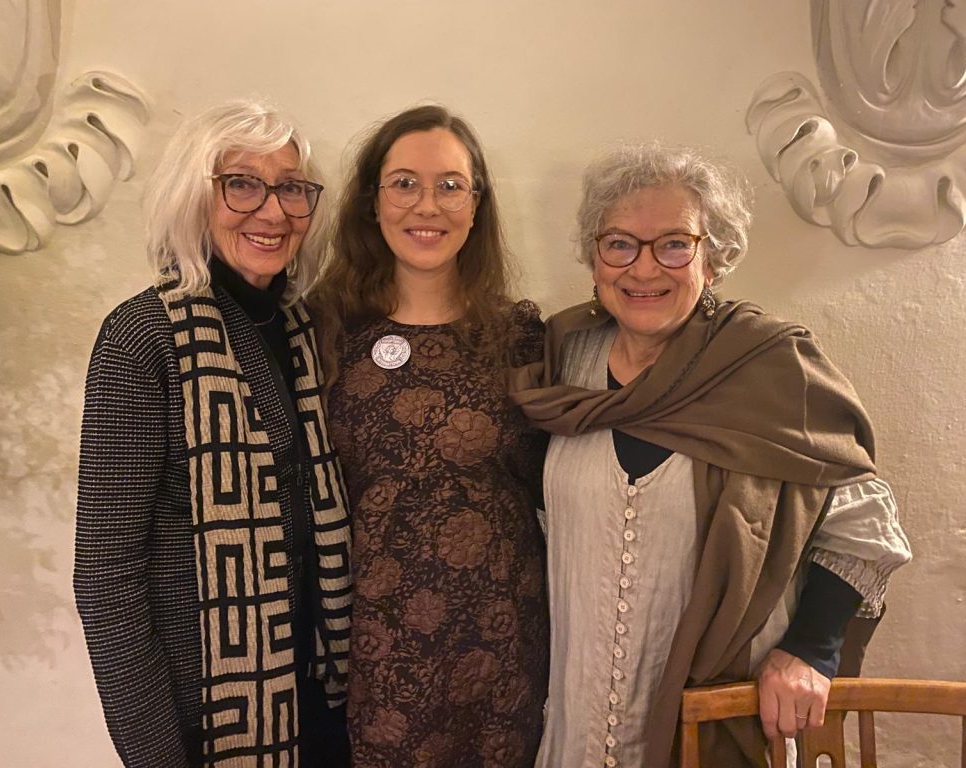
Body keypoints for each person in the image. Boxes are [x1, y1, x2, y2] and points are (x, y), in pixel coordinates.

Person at [509, 142, 912, 768]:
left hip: (720, 712)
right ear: (594, 258)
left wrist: (810, 649)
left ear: (714, 257)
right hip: (576, 714)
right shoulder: (565, 355)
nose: (644, 269)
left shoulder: (769, 363)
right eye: (620, 244)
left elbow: (862, 520)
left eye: (675, 244)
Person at [74, 100, 352, 768]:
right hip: (206, 715)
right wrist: (153, 753)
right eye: (242, 184)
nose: (273, 211)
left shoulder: (305, 329)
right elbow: (106, 575)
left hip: (315, 690)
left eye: (291, 188)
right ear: (192, 197)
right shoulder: (142, 338)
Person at [308, 105, 549, 768]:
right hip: (371, 650)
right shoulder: (323, 332)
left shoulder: (521, 336)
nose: (427, 205)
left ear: (477, 204)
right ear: (372, 201)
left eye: (450, 186)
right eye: (405, 183)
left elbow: (554, 486)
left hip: (502, 648)